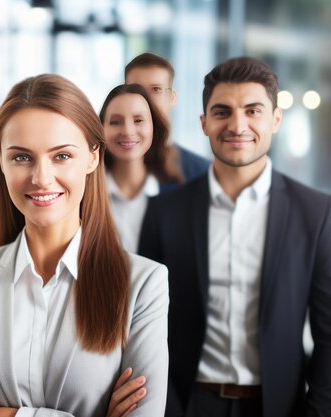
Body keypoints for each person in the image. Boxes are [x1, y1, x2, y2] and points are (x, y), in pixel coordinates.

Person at [0, 74, 168, 417]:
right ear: (0, 161)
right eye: (21, 157)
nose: (41, 177)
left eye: (61, 156)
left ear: (93, 157)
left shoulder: (143, 284)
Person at [139, 57, 331, 417]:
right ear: (204, 123)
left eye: (253, 111)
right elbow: (144, 328)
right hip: (186, 404)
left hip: (279, 407)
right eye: (222, 111)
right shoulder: (164, 213)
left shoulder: (317, 215)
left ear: (275, 120)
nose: (237, 125)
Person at [99, 83, 180, 253]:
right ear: (101, 130)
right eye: (115, 122)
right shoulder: (84, 195)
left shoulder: (178, 195)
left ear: (154, 127)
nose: (128, 131)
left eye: (138, 120)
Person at [125, 52, 210, 192]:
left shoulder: (202, 173)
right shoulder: (99, 167)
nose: (146, 98)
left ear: (172, 97)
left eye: (156, 89)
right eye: (136, 89)